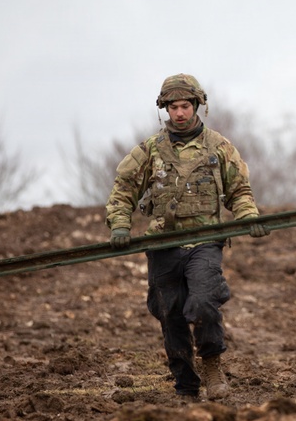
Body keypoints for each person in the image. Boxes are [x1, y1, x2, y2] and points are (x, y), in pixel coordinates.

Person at [105, 73, 269, 402]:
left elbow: (239, 190)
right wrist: (120, 225)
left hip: (205, 242)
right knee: (171, 312)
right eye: (173, 107)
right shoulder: (149, 150)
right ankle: (185, 383)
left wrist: (248, 216)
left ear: (197, 106)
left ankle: (212, 366)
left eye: (185, 106)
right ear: (164, 109)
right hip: (163, 245)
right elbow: (123, 190)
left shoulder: (219, 147)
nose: (179, 113)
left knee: (205, 302)